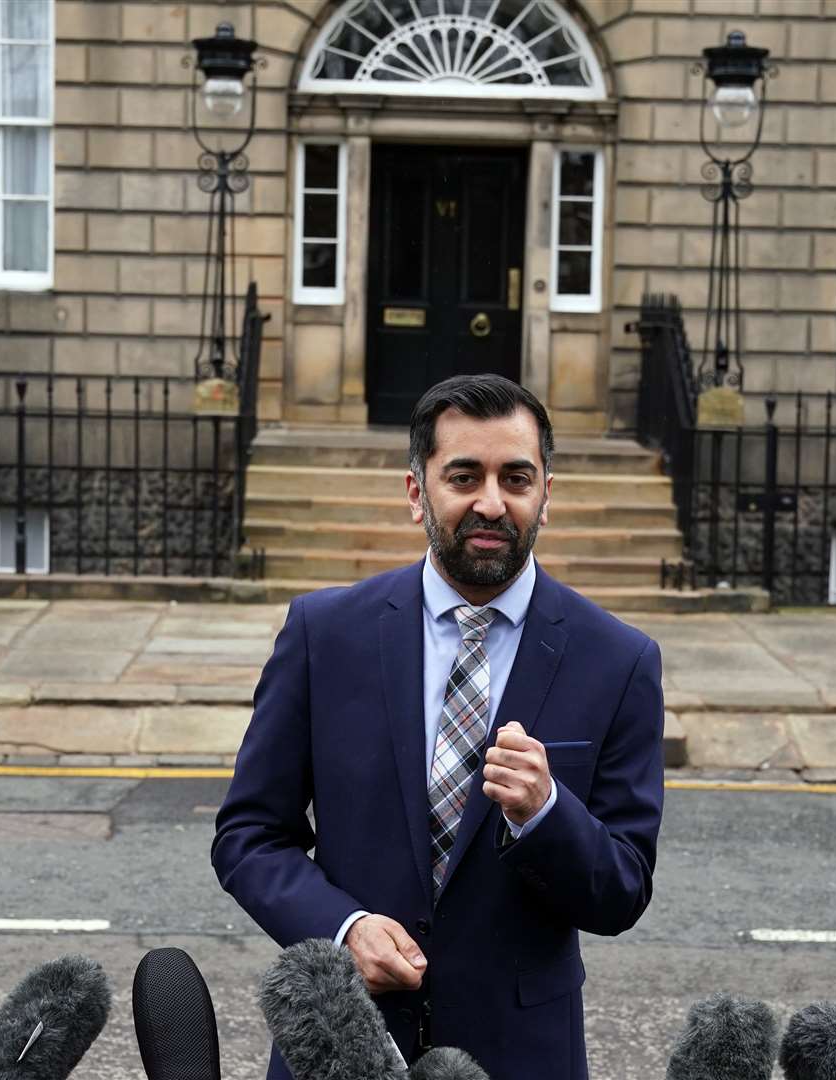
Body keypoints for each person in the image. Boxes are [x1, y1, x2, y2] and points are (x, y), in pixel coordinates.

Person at [212, 374, 665, 1080]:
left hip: (519, 1055)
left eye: (516, 477)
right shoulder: (324, 634)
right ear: (417, 491)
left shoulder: (618, 659)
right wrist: (342, 929)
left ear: (547, 493)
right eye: (463, 476)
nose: (491, 502)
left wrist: (546, 813)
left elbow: (622, 890)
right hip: (342, 1041)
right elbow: (248, 836)